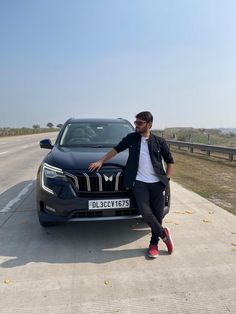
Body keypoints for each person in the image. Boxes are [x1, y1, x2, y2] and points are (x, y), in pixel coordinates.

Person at [88, 111, 174, 258]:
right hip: (139, 182)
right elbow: (116, 149)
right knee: (146, 212)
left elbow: (170, 161)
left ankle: (154, 245)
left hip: (157, 184)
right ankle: (164, 234)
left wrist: (166, 180)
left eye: (140, 123)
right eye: (135, 122)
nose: (136, 125)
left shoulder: (160, 142)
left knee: (158, 216)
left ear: (149, 125)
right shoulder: (132, 138)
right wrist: (101, 161)